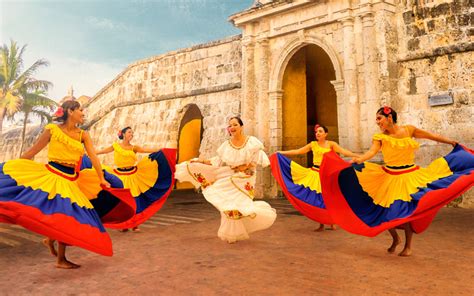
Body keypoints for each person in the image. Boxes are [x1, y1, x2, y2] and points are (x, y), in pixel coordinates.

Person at [319, 106, 474, 256]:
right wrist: (359, 159)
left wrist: (451, 142)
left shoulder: (409, 130)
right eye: (376, 119)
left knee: (406, 212)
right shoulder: (380, 137)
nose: (377, 122)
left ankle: (408, 246)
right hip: (389, 177)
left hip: (410, 176)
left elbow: (431, 136)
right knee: (384, 211)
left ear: (389, 117)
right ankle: (395, 238)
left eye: (379, 118)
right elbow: (371, 152)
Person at [0, 100, 135, 268]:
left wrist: (101, 178)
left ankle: (52, 243)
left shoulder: (83, 135)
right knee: (62, 214)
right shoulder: (52, 130)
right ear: (70, 111)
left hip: (71, 180)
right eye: (80, 109)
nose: (83, 113)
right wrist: (17, 165)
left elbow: (93, 157)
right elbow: (33, 151)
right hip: (52, 177)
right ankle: (60, 258)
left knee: (68, 217)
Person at [175, 116, 276, 243]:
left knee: (239, 204)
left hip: (245, 178)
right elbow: (218, 161)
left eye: (235, 125)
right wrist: (201, 161)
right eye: (230, 125)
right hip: (231, 174)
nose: (232, 128)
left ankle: (252, 215)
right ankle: (233, 234)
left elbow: (256, 160)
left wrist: (243, 167)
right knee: (228, 204)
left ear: (241, 127)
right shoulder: (226, 145)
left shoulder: (251, 142)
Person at [271, 124, 360, 231]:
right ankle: (321, 223)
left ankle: (332, 222)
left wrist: (359, 156)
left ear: (326, 134)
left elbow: (344, 152)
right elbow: (298, 151)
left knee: (329, 199)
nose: (318, 133)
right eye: (317, 132)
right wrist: (281, 152)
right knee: (318, 200)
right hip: (315, 173)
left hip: (328, 175)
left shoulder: (331, 144)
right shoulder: (313, 144)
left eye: (320, 131)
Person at [94, 126, 176, 232]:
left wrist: (161, 150)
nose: (131, 134)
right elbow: (103, 151)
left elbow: (145, 150)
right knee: (123, 201)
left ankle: (135, 224)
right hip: (120, 176)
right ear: (123, 134)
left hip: (133, 175)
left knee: (134, 200)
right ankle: (123, 224)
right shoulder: (115, 146)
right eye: (129, 132)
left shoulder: (134, 148)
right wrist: (92, 153)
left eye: (132, 133)